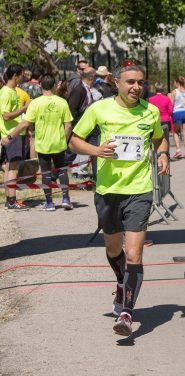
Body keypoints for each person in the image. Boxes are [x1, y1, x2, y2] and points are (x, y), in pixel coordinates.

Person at [69, 63, 170, 336]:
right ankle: (120, 283)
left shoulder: (150, 111)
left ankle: (126, 313)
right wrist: (97, 150)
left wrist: (163, 154)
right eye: (130, 82)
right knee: (114, 249)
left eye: (140, 82)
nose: (136, 87)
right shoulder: (99, 109)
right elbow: (74, 141)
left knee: (135, 254)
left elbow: (159, 139)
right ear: (116, 82)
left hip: (139, 190)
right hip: (108, 191)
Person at [2, 74, 73, 211]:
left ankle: (50, 203)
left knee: (46, 173)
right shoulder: (62, 102)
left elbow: (24, 124)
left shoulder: (36, 103)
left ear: (40, 86)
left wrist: (10, 136)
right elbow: (68, 126)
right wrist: (63, 139)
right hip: (59, 143)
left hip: (43, 144)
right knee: (62, 171)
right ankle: (65, 199)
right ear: (54, 85)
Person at [0, 64, 29, 209]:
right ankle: (12, 200)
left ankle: (9, 199)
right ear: (15, 75)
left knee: (9, 167)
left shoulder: (12, 91)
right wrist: (24, 108)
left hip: (15, 133)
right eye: (22, 75)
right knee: (13, 168)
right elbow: (5, 116)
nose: (23, 78)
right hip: (12, 134)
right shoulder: (6, 92)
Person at [169, 76, 185, 160]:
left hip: (177, 113)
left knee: (175, 132)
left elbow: (171, 104)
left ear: (177, 83)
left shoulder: (174, 92)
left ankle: (178, 150)